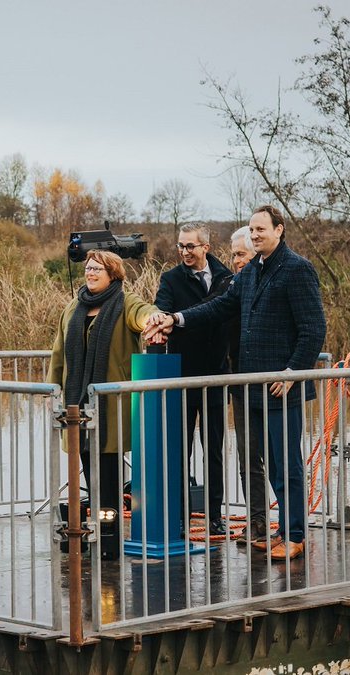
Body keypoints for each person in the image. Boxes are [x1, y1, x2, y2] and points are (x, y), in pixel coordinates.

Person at [144, 206, 325, 561]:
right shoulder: (252, 271)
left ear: (279, 230)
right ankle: (280, 529)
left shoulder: (298, 269)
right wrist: (175, 319)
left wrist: (293, 373)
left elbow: (313, 328)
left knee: (286, 464)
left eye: (261, 229)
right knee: (269, 465)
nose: (255, 235)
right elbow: (219, 307)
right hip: (251, 385)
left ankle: (295, 534)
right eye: (252, 230)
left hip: (281, 385)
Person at [47, 249, 164, 559]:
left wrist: (153, 317)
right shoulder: (74, 306)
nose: (90, 273)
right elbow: (59, 353)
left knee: (109, 474)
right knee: (87, 470)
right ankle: (91, 533)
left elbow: (143, 312)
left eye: (97, 268)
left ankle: (109, 544)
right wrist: (51, 388)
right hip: (77, 406)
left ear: (114, 273)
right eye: (88, 268)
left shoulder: (125, 303)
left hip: (110, 407)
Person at [153, 223, 233, 536]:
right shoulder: (171, 279)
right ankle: (179, 514)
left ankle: (214, 515)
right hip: (182, 377)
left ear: (206, 247)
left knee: (213, 449)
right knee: (179, 449)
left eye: (191, 246)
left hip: (215, 376)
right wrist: (161, 319)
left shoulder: (227, 277)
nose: (185, 252)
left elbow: (224, 313)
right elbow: (162, 308)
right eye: (181, 246)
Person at [221, 226, 267, 542]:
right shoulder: (232, 286)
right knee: (247, 457)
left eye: (241, 254)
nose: (236, 261)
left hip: (272, 384)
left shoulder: (271, 282)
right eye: (234, 255)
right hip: (240, 382)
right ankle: (257, 522)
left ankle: (292, 527)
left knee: (278, 459)